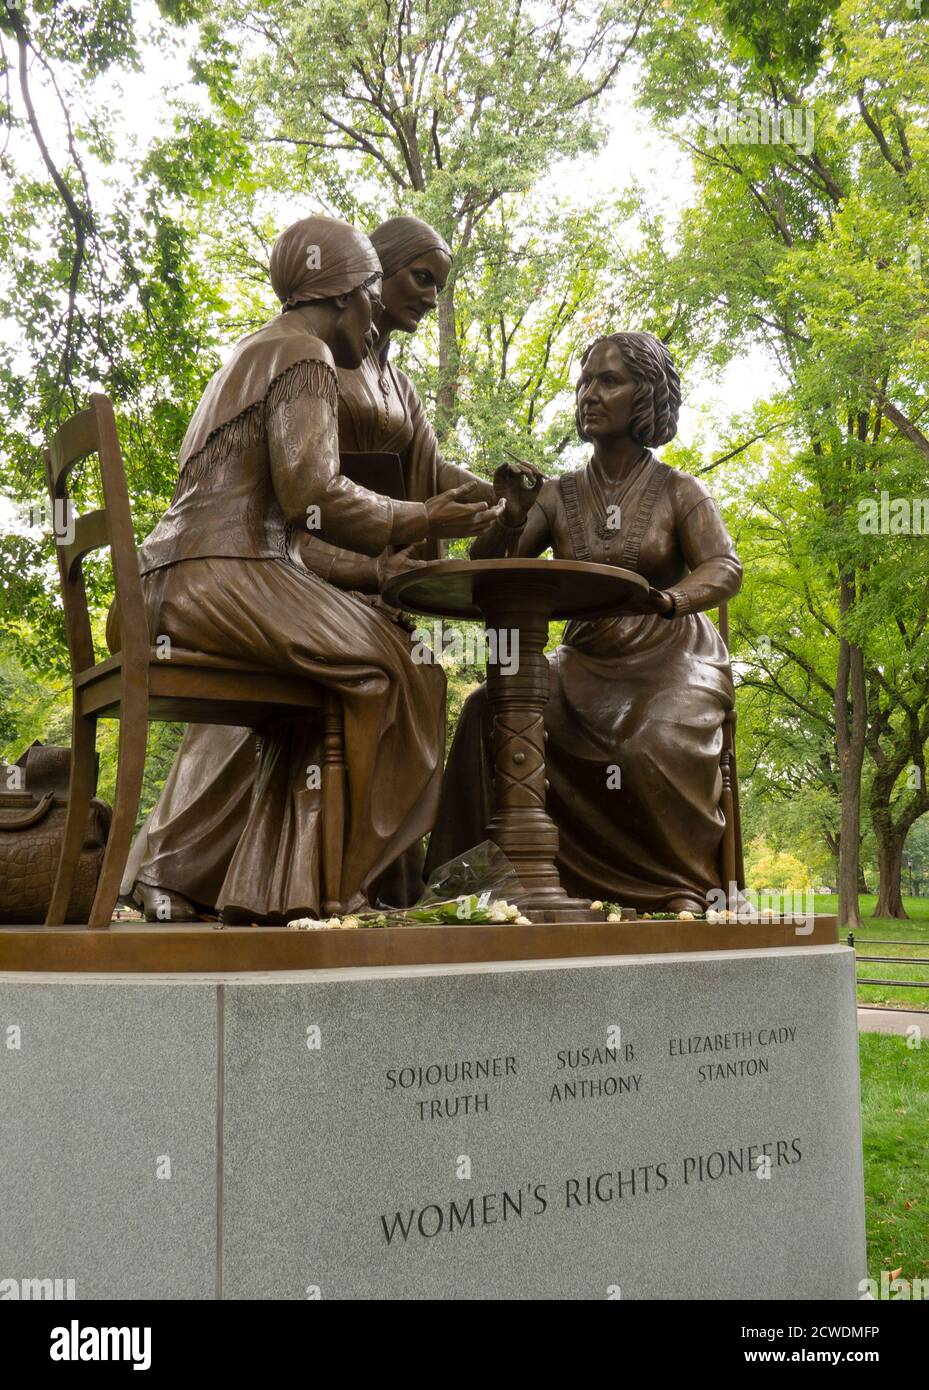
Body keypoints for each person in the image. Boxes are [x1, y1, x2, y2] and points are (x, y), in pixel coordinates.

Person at [119, 214, 499, 923]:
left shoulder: (255, 352)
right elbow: (313, 495)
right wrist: (422, 520)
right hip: (229, 570)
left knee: (348, 674)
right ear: (356, 289)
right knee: (401, 670)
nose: (380, 312)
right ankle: (340, 885)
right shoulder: (305, 356)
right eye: (382, 291)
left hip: (174, 576)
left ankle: (281, 887)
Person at [424, 331, 743, 913]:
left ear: (645, 397)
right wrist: (509, 518)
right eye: (585, 381)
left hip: (669, 654)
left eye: (609, 381)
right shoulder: (555, 493)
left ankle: (673, 886)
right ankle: (482, 885)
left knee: (647, 740)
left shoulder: (680, 491)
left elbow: (723, 566)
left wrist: (671, 600)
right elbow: (491, 565)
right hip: (584, 655)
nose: (589, 394)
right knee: (483, 709)